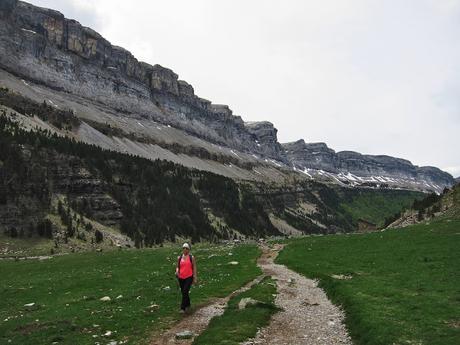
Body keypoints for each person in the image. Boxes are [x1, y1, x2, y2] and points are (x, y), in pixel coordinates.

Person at [175, 242, 197, 313]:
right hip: (181, 277)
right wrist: (177, 271)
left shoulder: (191, 257)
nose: (185, 250)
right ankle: (188, 304)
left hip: (189, 277)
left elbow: (194, 267)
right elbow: (178, 266)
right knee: (183, 292)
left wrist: (195, 277)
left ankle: (182, 308)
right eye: (183, 248)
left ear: (189, 250)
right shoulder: (179, 257)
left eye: (186, 248)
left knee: (185, 291)